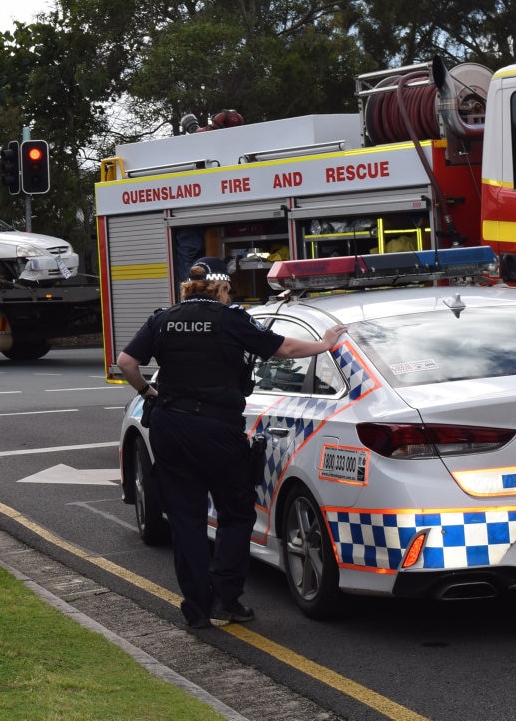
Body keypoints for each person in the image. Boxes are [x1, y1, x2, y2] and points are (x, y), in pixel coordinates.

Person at [115, 255, 345, 629]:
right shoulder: (230, 319)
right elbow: (284, 349)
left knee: (186, 520)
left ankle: (196, 609)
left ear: (189, 286)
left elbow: (127, 361)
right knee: (236, 513)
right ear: (221, 287)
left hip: (172, 428)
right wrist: (325, 343)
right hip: (218, 430)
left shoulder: (162, 319)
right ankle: (226, 599)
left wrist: (150, 393)